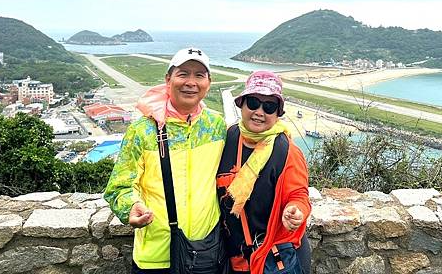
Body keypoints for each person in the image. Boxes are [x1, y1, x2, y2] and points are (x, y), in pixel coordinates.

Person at [104, 47, 227, 273]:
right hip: (156, 255)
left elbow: (253, 137)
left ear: (209, 82)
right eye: (183, 74)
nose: (191, 82)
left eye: (199, 75)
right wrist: (130, 206)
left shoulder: (216, 126)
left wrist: (278, 129)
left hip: (205, 251)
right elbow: (118, 186)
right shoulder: (143, 130)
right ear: (168, 80)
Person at [216, 71, 312, 274]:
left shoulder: (286, 151)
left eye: (269, 107)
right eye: (253, 102)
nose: (259, 112)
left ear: (278, 114)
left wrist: (295, 211)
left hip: (269, 256)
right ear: (241, 104)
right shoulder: (229, 137)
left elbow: (298, 195)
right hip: (231, 255)